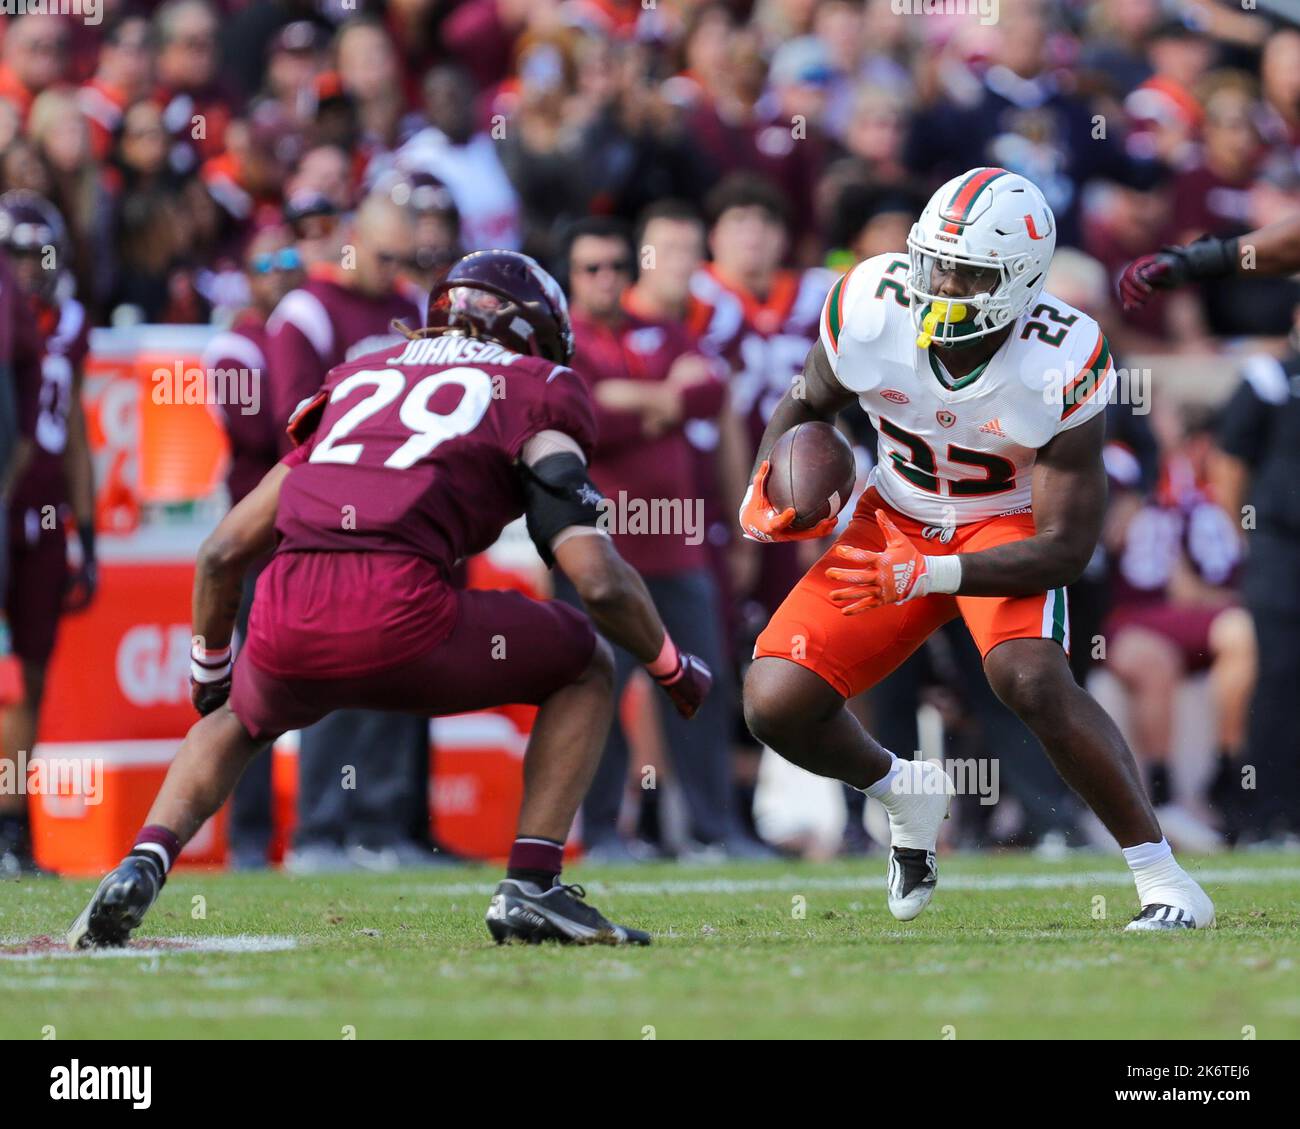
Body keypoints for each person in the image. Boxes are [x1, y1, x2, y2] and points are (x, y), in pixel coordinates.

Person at [67, 250, 711, 949]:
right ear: (533, 334)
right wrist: (672, 663)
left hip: (289, 611)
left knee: (235, 720)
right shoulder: (540, 387)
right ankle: (533, 886)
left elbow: (223, 551)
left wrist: (210, 666)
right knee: (585, 660)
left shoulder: (357, 378)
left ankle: (142, 861)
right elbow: (596, 578)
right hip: (402, 609)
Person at [739, 167, 1215, 931]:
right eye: (934, 261)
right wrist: (775, 478)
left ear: (1019, 280)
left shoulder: (1061, 356)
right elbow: (807, 400)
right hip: (894, 513)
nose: (942, 283)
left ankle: (1164, 877)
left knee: (1030, 678)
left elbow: (1065, 547)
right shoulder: (869, 303)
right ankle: (904, 789)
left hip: (1006, 525)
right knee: (775, 700)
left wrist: (933, 571)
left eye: (966, 272)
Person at [560, 216, 744, 860]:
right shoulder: (564, 340)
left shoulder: (663, 328)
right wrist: (661, 397)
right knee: (600, 690)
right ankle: (606, 830)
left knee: (701, 683)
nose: (606, 277)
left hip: (679, 544)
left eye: (616, 265)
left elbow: (709, 391)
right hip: (600, 550)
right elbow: (587, 415)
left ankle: (711, 829)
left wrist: (634, 397)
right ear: (571, 278)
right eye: (591, 268)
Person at [264, 192, 432, 872]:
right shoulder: (306, 310)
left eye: (404, 257)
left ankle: (382, 828)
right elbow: (293, 417)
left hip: (406, 516)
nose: (394, 269)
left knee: (397, 669)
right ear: (353, 239)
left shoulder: (417, 305)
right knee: (335, 675)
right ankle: (320, 832)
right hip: (334, 514)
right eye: (385, 254)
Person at [199, 223, 304, 869]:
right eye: (267, 263)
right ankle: (247, 837)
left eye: (290, 260)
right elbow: (268, 425)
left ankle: (348, 828)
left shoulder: (301, 332)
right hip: (257, 535)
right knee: (251, 691)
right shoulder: (235, 345)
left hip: (310, 529)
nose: (280, 272)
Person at [0, 194, 93, 877]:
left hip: (44, 513)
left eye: (41, 255)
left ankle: (13, 831)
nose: (32, 269)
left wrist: (87, 530)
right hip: (5, 506)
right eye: (19, 256)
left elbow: (77, 431)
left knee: (27, 678)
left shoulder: (71, 324)